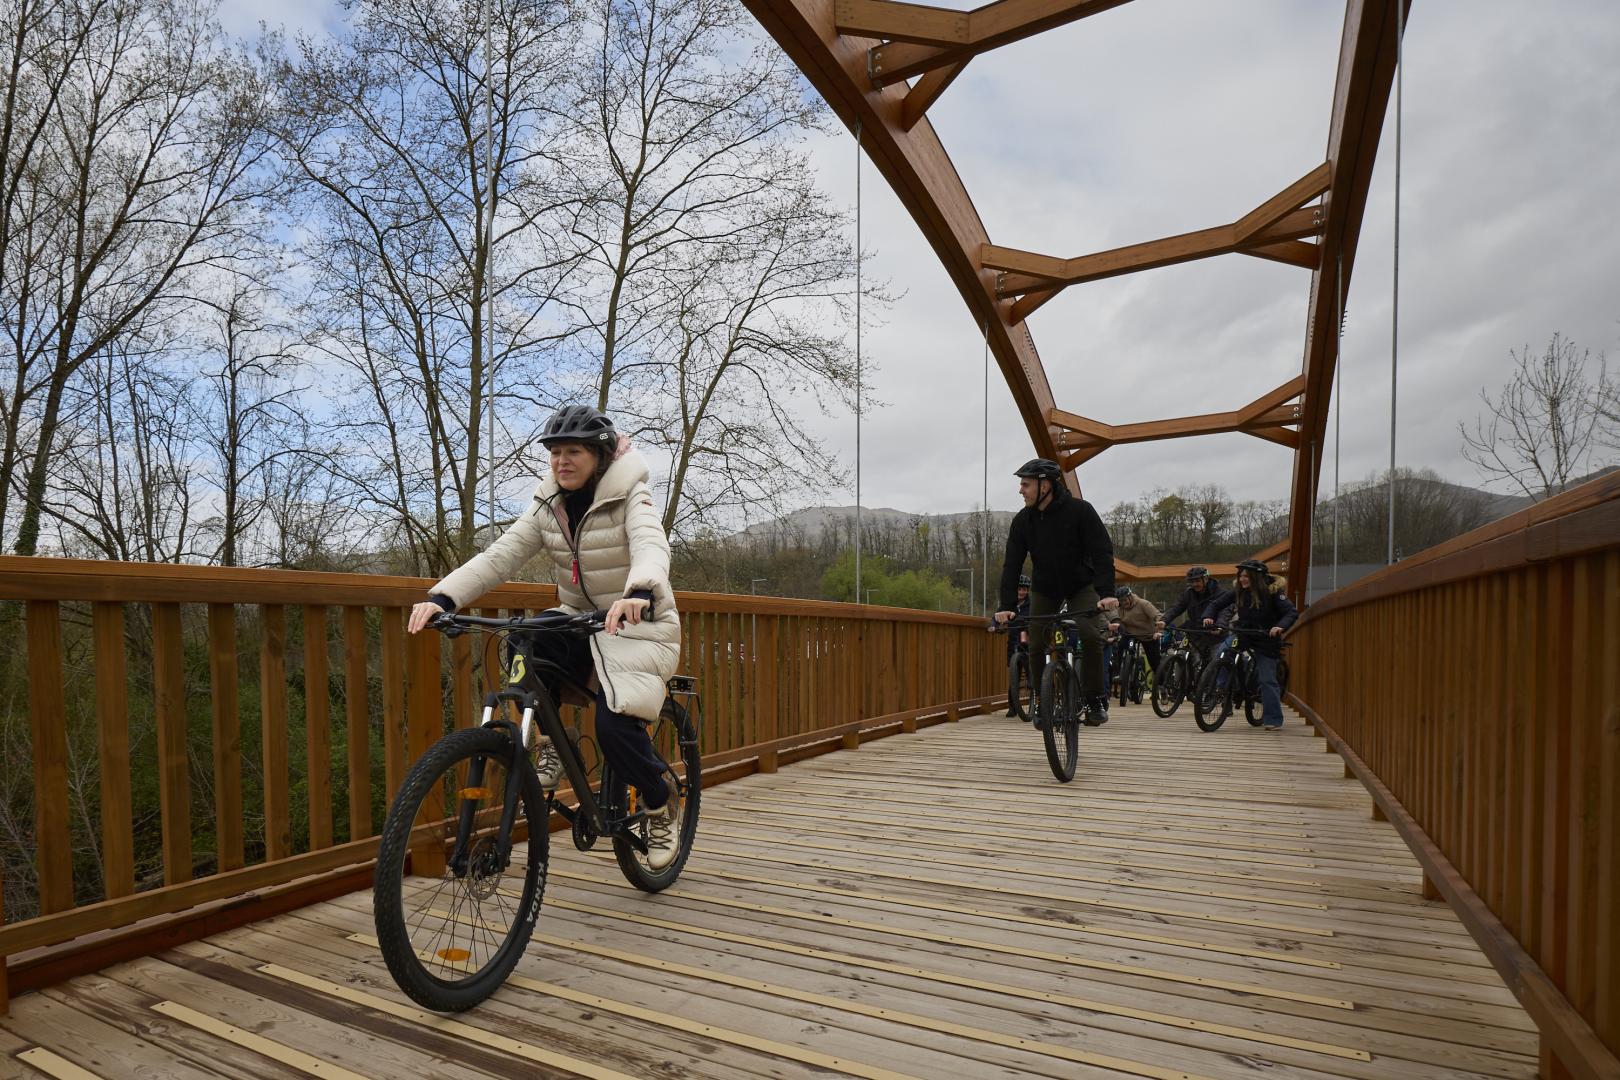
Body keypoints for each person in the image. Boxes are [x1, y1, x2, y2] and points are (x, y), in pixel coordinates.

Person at [406, 405, 686, 868]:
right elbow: (501, 556)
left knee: (613, 727)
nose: (562, 461)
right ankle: (553, 741)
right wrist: (443, 598)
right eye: (555, 452)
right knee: (523, 636)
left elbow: (651, 545)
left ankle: (660, 802)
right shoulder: (548, 504)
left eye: (573, 451)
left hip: (638, 624)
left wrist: (640, 590)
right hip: (580, 619)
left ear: (598, 455)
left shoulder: (630, 497)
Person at [993, 459, 1118, 726]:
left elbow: (1102, 552)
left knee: (1090, 635)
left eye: (1025, 484)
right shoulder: (1023, 521)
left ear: (1045, 485)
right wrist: (1007, 605)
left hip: (1080, 585)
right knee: (1035, 643)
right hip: (1045, 588)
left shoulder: (1081, 511)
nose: (1020, 490)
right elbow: (1012, 564)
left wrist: (1106, 592)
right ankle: (1040, 698)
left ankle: (1095, 698)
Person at [1203, 559, 1297, 730]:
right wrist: (1208, 616)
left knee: (1267, 679)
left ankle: (1273, 719)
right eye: (1240, 576)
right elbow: (1216, 603)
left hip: (1266, 636)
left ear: (1257, 577)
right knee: (1223, 652)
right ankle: (1223, 690)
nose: (1242, 579)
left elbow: (1291, 612)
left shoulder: (1274, 591)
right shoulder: (1239, 591)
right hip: (1244, 633)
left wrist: (1280, 626)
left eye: (1246, 576)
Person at [1156, 566, 1229, 663]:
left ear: (1206, 579)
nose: (1194, 584)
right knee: (1181, 656)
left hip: (1215, 635)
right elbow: (1176, 608)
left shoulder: (1221, 593)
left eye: (1197, 581)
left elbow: (1225, 612)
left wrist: (1219, 626)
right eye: (1191, 581)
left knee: (1216, 664)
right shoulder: (1188, 594)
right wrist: (1164, 620)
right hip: (1195, 634)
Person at [1110, 585, 1163, 676]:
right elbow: (1113, 618)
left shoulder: (1143, 604)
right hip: (1131, 635)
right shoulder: (1119, 608)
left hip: (1148, 635)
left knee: (1155, 663)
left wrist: (1159, 632)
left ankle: (1162, 685)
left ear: (1130, 597)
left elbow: (1158, 616)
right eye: (1121, 601)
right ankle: (1118, 672)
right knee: (1120, 645)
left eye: (1125, 600)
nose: (1124, 603)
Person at [998, 574, 1032, 717]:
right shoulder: (1007, 604)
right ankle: (1012, 707)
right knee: (1014, 677)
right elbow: (997, 617)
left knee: (1032, 676)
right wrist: (996, 627)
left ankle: (1035, 705)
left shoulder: (1032, 604)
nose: (1021, 592)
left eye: (1024, 589)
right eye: (1019, 589)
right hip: (1013, 644)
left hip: (1029, 644)